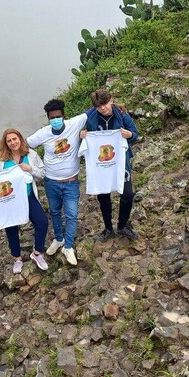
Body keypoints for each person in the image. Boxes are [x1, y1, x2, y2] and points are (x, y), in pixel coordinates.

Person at [0, 128, 49, 274]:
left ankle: (37, 253)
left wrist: (30, 169)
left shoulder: (31, 155)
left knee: (42, 222)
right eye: (9, 140)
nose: (13, 142)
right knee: (11, 228)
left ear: (20, 139)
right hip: (8, 199)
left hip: (27, 196)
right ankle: (17, 259)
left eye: (15, 139)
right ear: (5, 143)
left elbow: (42, 173)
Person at [27, 98, 89, 266]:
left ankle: (68, 247)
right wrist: (0, 152)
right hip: (51, 182)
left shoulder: (74, 124)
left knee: (71, 214)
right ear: (48, 118)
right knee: (54, 212)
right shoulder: (43, 133)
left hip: (71, 182)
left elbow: (96, 110)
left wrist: (116, 106)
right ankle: (59, 239)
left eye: (58, 116)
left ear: (63, 115)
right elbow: (24, 144)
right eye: (52, 117)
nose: (55, 120)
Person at [81, 90, 139, 241]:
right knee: (103, 195)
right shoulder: (90, 118)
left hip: (121, 162)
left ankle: (122, 225)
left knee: (127, 194)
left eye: (105, 104)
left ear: (111, 100)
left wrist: (129, 135)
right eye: (99, 106)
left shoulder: (122, 115)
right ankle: (108, 228)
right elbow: (79, 135)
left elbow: (135, 134)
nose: (103, 108)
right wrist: (82, 136)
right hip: (100, 165)